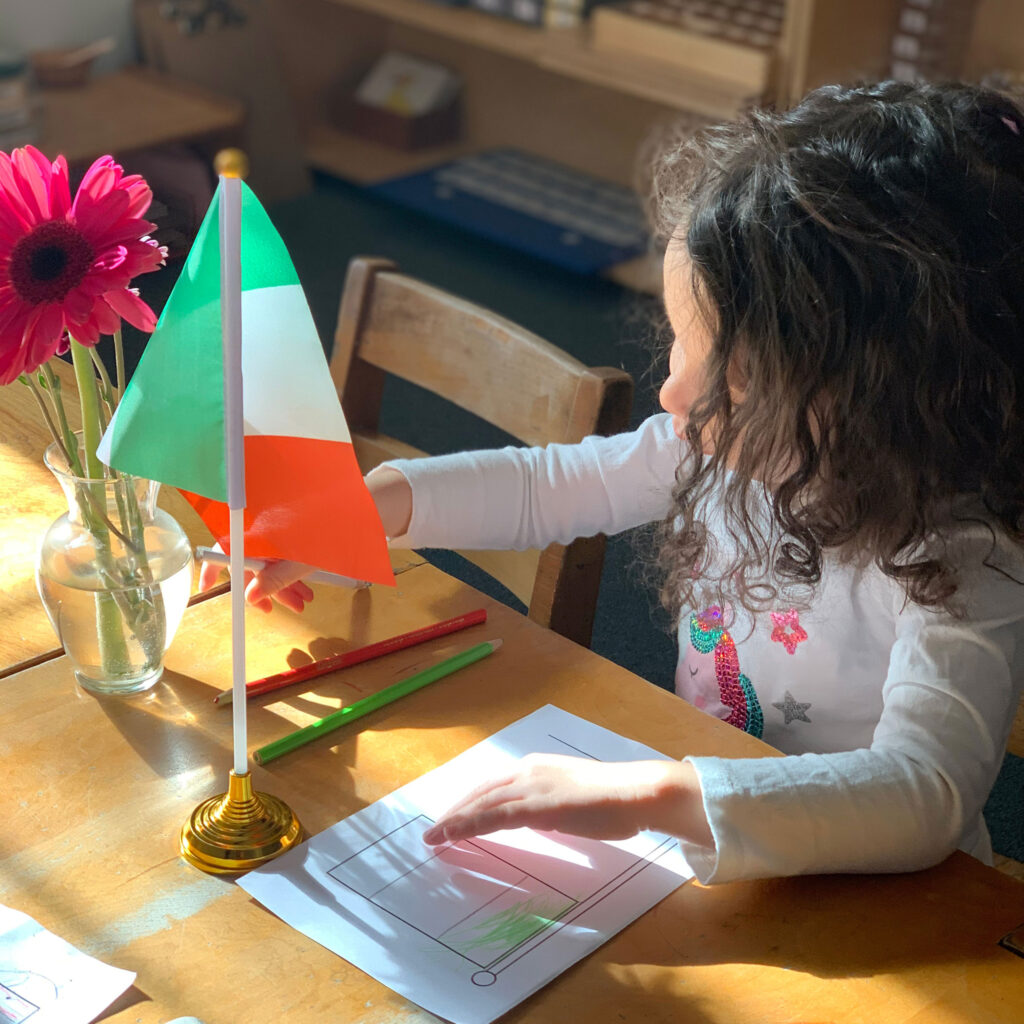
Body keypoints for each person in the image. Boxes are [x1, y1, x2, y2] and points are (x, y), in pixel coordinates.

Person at [203, 80, 1024, 884]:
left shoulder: (958, 560)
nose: (674, 396)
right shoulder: (713, 451)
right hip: (712, 841)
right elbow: (547, 489)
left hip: (892, 900)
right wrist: (365, 509)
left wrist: (658, 792)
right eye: (679, 344)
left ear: (883, 406)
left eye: (731, 381)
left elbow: (926, 796)